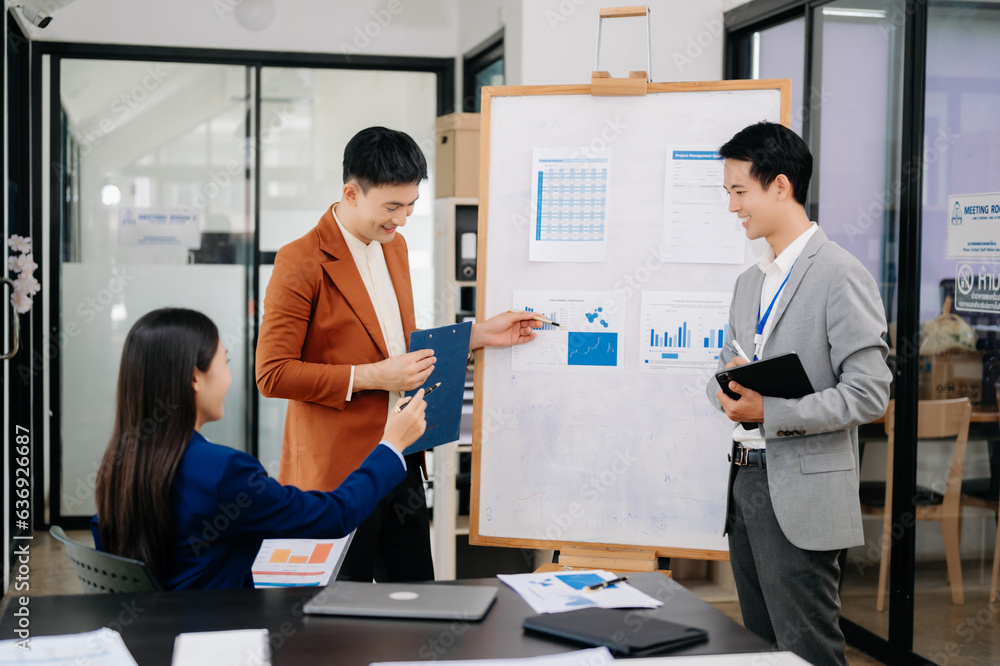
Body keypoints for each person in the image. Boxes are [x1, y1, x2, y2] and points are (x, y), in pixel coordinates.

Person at [255, 126, 539, 582]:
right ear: (351, 193)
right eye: (392, 207)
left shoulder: (395, 246)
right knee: (339, 614)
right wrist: (373, 377)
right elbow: (272, 374)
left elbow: (397, 347)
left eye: (411, 206)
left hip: (402, 456)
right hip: (339, 474)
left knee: (414, 601)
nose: (402, 219)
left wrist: (479, 334)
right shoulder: (300, 260)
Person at [705, 122, 891, 666]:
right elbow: (724, 366)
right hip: (747, 487)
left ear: (780, 186)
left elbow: (869, 394)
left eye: (740, 191)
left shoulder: (840, 274)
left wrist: (771, 410)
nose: (733, 206)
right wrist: (726, 391)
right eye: (729, 193)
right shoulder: (749, 283)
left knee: (808, 651)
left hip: (802, 497)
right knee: (761, 652)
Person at [92, 307, 428, 590]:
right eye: (225, 361)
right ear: (196, 378)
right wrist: (391, 445)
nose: (229, 376)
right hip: (223, 639)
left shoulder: (121, 465)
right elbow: (334, 516)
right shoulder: (222, 471)